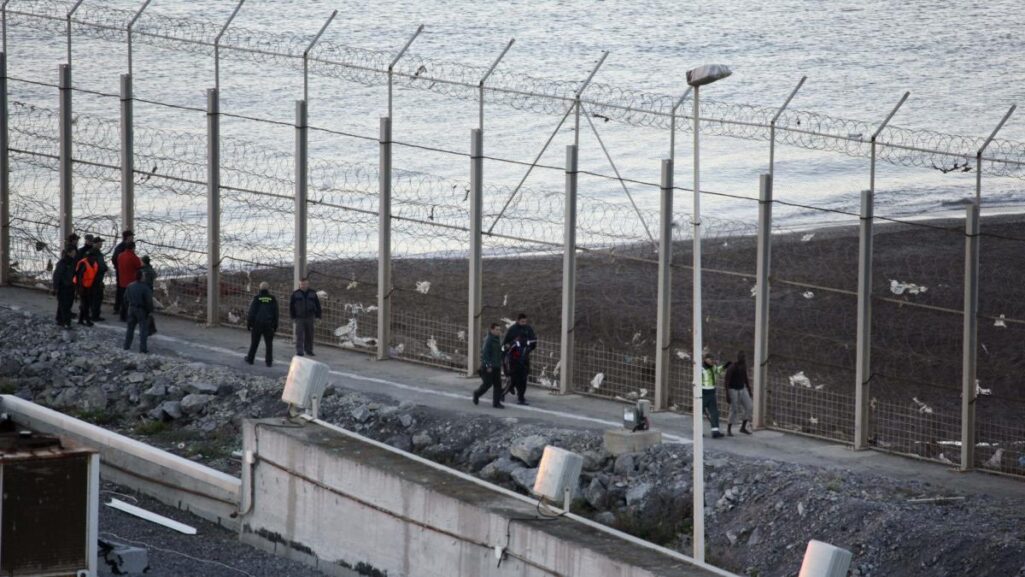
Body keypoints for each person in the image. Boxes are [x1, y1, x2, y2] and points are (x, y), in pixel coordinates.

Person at [502, 313, 537, 405]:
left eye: (525, 321)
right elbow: (505, 344)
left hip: (524, 357)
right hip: (514, 358)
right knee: (515, 378)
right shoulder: (512, 330)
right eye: (522, 321)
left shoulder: (528, 329)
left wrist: (529, 348)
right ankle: (507, 394)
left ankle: (520, 397)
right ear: (518, 321)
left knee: (523, 378)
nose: (524, 323)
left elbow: (534, 341)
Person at [246, 282, 279, 367]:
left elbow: (252, 312)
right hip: (269, 324)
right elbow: (276, 313)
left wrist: (249, 323)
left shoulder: (257, 298)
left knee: (254, 343)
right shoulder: (272, 299)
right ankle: (269, 362)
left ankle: (250, 359)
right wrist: (275, 325)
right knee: (269, 344)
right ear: (268, 289)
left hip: (257, 324)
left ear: (259, 288)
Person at [472, 323, 505, 409]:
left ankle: (496, 403)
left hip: (497, 366)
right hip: (489, 367)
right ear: (492, 330)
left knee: (498, 385)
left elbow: (498, 352)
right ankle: (477, 394)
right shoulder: (489, 340)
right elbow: (485, 355)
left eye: (499, 330)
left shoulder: (497, 340)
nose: (498, 331)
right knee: (487, 384)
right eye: (497, 330)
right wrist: (488, 366)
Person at [289, 277, 321, 357]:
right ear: (299, 285)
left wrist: (318, 316)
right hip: (299, 317)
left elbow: (318, 305)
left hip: (310, 317)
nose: (304, 285)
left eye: (305, 284)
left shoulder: (313, 293)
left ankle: (309, 350)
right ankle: (300, 351)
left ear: (308, 284)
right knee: (299, 335)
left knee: (310, 335)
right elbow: (291, 306)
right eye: (302, 284)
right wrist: (293, 317)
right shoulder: (295, 294)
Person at [123, 270, 154, 354]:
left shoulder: (130, 286)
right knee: (143, 330)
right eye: (143, 275)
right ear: (141, 277)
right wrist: (150, 311)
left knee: (130, 329)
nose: (144, 277)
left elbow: (125, 298)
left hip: (131, 308)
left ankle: (126, 346)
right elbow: (149, 301)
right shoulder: (145, 287)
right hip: (141, 310)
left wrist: (128, 308)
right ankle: (143, 349)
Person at [724, 351, 754, 436]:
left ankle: (743, 427)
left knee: (749, 407)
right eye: (742, 357)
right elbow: (727, 381)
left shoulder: (743, 366)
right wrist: (727, 394)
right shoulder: (732, 367)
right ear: (738, 358)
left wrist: (749, 389)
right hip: (733, 389)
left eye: (744, 357)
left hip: (742, 388)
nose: (744, 359)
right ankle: (729, 429)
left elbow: (745, 378)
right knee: (734, 409)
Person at [701, 354, 730, 439]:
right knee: (699, 413)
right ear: (705, 359)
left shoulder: (713, 367)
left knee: (714, 413)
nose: (712, 361)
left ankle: (715, 431)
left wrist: (725, 366)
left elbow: (718, 370)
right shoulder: (700, 368)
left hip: (711, 392)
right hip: (702, 393)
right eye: (710, 359)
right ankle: (698, 431)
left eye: (712, 359)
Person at [116, 242, 143, 322]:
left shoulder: (120, 256)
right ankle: (130, 317)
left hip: (122, 281)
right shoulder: (133, 257)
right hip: (131, 281)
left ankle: (122, 316)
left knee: (124, 300)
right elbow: (139, 266)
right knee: (132, 301)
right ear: (133, 248)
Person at [51, 246, 77, 328]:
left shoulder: (72, 262)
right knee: (65, 305)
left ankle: (59, 319)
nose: (75, 253)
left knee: (63, 304)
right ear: (69, 253)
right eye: (73, 252)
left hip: (69, 286)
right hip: (64, 287)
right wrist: (55, 288)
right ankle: (66, 322)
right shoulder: (63, 263)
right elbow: (57, 276)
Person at [73, 249, 99, 326]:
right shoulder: (83, 264)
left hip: (89, 286)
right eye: (92, 257)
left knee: (86, 303)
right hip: (82, 286)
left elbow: (94, 276)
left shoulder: (94, 263)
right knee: (85, 304)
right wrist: (79, 288)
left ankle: (81, 320)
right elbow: (79, 276)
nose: (93, 259)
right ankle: (87, 320)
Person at [112, 230, 134, 316]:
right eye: (131, 236)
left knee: (122, 289)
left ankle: (121, 307)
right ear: (128, 237)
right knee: (121, 290)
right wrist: (119, 268)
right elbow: (115, 259)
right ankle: (118, 307)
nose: (132, 238)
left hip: (124, 272)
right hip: (121, 272)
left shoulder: (123, 247)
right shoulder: (121, 247)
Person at [88, 236, 109, 321]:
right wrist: (104, 268)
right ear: (95, 243)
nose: (101, 244)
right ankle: (94, 315)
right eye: (100, 242)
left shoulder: (94, 252)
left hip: (95, 278)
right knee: (96, 297)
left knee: (95, 297)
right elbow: (98, 266)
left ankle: (94, 314)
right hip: (95, 279)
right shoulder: (94, 253)